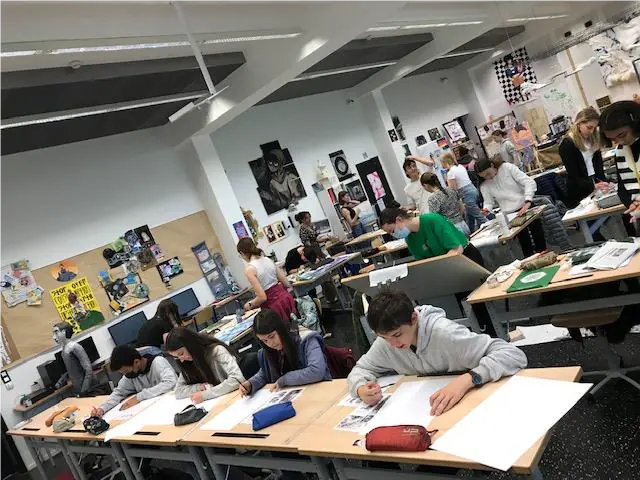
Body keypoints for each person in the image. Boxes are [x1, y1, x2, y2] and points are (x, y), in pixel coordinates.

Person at [348, 290, 527, 414]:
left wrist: (468, 379)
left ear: (413, 318)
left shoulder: (445, 334)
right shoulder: (386, 342)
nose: (393, 344)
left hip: (475, 401)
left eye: (397, 335)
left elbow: (512, 354)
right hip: (432, 408)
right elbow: (361, 369)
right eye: (384, 337)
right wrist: (360, 388)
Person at [239, 309, 331, 396]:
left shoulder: (306, 339)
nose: (270, 343)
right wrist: (251, 384)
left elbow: (316, 371)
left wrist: (284, 380)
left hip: (319, 391)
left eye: (272, 337)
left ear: (280, 329)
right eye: (264, 341)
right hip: (294, 395)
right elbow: (266, 372)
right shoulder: (268, 350)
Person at [475, 157, 546, 256]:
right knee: (525, 243)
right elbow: (488, 202)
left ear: (492, 165)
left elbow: (528, 182)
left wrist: (528, 200)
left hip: (525, 206)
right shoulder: (484, 185)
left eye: (488, 173)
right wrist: (486, 209)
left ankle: (546, 256)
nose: (488, 177)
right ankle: (531, 261)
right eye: (484, 176)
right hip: (510, 215)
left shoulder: (507, 168)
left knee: (538, 236)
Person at [91, 344, 177, 417]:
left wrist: (139, 396)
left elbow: (171, 382)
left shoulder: (158, 362)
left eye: (125, 371)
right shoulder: (131, 374)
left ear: (136, 362)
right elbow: (118, 393)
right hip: (151, 412)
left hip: (171, 406)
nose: (125, 374)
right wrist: (101, 409)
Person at [378, 208, 484, 266]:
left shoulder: (432, 220)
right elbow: (423, 262)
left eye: (392, 231)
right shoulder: (409, 239)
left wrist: (440, 266)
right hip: (446, 265)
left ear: (399, 219)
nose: (394, 235)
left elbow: (456, 249)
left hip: (466, 258)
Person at [165, 328, 245, 404]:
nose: (181, 360)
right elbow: (178, 391)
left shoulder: (217, 351)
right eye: (177, 357)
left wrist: (205, 395)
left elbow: (237, 379)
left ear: (190, 344)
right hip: (220, 400)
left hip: (238, 397)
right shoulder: (187, 362)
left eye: (181, 353)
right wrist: (198, 387)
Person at [599, 100, 640, 228]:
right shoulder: (621, 151)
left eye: (622, 135)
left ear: (635, 124)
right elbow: (622, 189)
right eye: (613, 139)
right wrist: (631, 204)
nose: (619, 141)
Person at [237, 237, 296, 322]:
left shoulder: (250, 269)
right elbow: (286, 282)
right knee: (295, 327)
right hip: (286, 299)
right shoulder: (267, 259)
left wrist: (249, 305)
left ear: (242, 253)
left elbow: (262, 297)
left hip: (273, 306)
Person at [559, 107, 607, 209]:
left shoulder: (593, 139)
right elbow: (573, 175)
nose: (592, 131)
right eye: (589, 127)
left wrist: (602, 181)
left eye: (594, 128)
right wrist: (592, 186)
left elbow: (599, 165)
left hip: (595, 183)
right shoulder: (567, 144)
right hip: (580, 190)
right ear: (579, 123)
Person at [441, 153, 485, 232]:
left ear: (444, 162)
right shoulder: (460, 166)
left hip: (466, 194)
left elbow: (452, 190)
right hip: (473, 189)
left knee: (478, 216)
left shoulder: (450, 173)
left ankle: (491, 225)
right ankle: (470, 231)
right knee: (469, 216)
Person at [52, 323, 94, 395]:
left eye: (56, 332)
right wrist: (60, 382)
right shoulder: (64, 350)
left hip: (89, 389)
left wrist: (84, 390)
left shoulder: (75, 347)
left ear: (64, 332)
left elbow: (88, 369)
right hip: (78, 389)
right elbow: (71, 369)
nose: (54, 337)